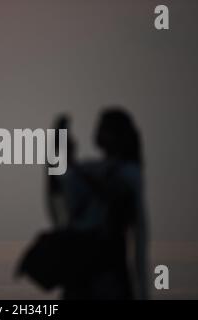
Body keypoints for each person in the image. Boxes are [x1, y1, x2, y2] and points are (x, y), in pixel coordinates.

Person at [45, 108, 148, 300]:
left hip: (107, 272)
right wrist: (56, 149)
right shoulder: (92, 168)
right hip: (82, 272)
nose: (98, 132)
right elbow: (58, 190)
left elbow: (109, 191)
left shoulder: (129, 172)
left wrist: (70, 162)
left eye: (104, 128)